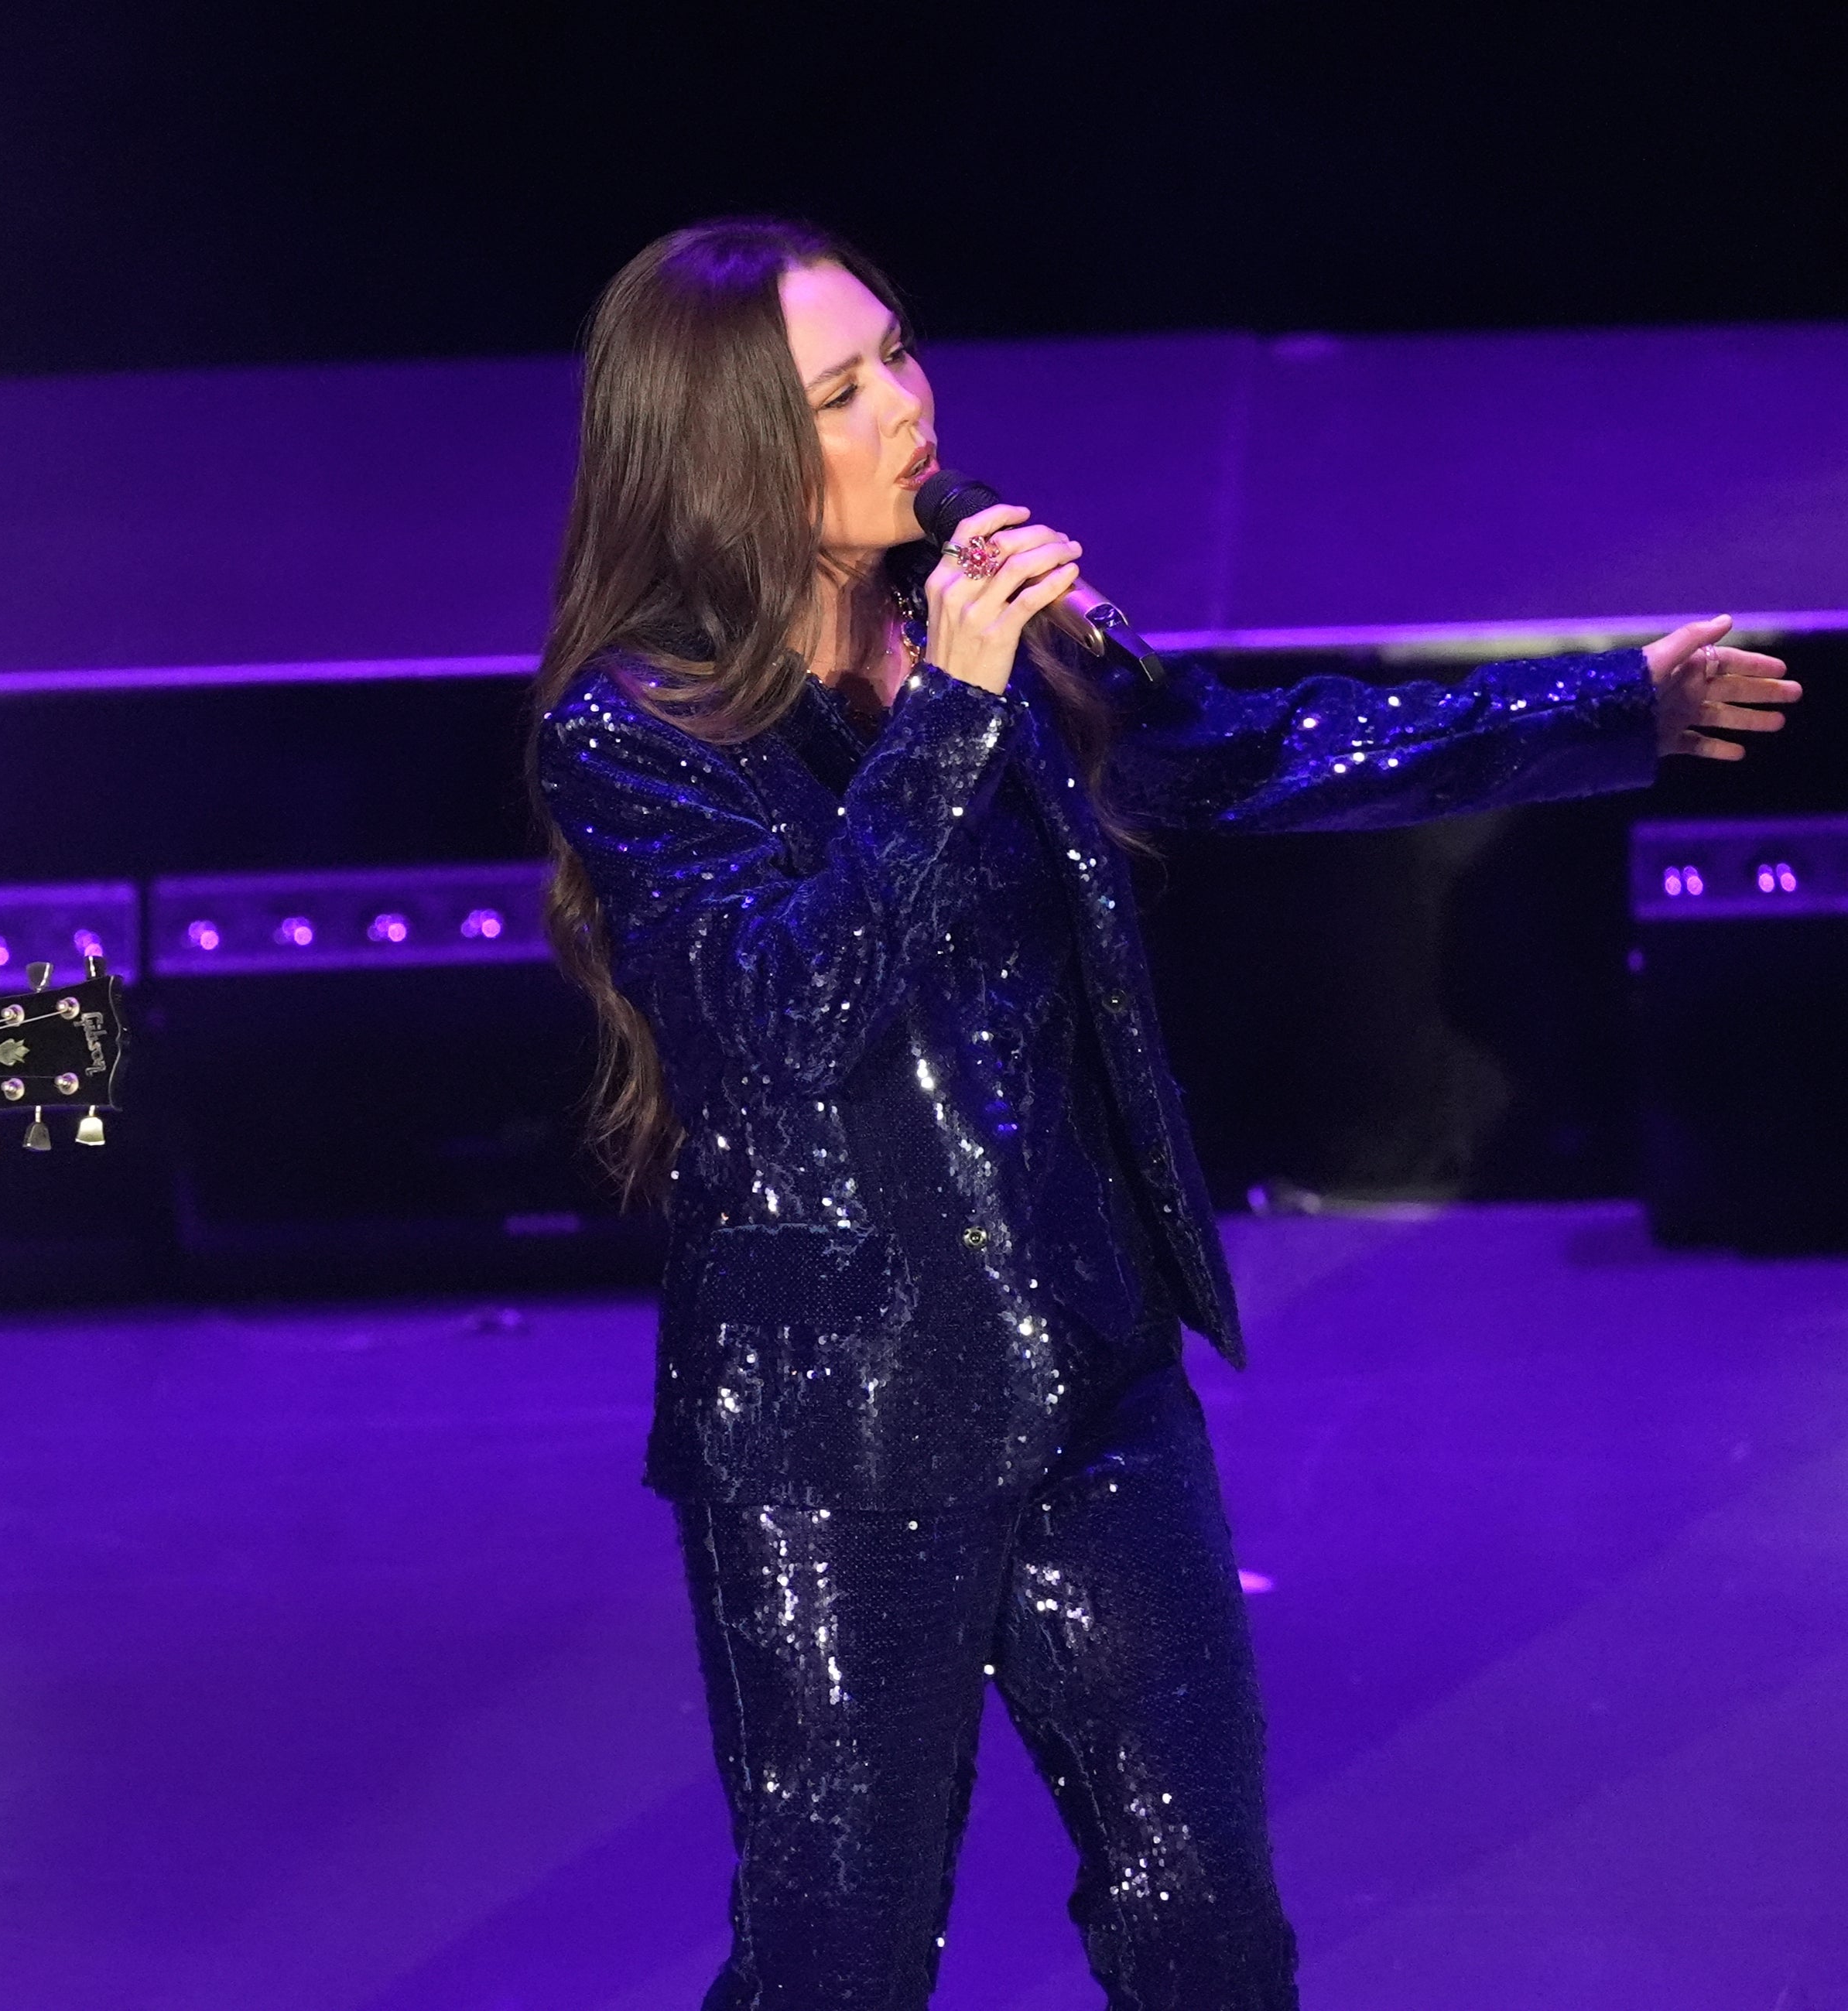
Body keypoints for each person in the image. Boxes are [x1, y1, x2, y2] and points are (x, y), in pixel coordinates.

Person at [527, 217, 1799, 2009]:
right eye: (840, 387)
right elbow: (780, 1010)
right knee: (839, 1951)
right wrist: (949, 710)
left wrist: (1607, 707)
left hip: (1090, 1368)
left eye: (897, 352)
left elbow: (1234, 747)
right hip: (841, 1436)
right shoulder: (638, 730)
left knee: (1201, 1916)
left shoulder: (979, 626)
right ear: (725, 446)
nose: (907, 403)